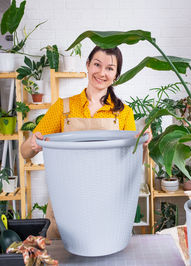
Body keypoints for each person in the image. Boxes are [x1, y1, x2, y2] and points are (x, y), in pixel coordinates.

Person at [21, 45, 152, 238]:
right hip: (66, 202)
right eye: (97, 65)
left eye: (109, 68)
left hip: (107, 202)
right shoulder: (63, 108)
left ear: (116, 75)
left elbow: (131, 163)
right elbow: (25, 152)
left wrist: (144, 145)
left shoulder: (124, 113)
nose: (101, 72)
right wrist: (33, 144)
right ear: (88, 65)